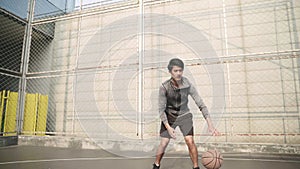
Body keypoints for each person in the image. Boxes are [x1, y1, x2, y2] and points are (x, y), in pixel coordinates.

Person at [152, 58, 220, 169]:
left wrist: (210, 125)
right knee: (164, 143)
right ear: (170, 72)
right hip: (169, 117)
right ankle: (156, 164)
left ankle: (196, 167)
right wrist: (168, 128)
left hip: (185, 116)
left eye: (180, 70)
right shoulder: (164, 87)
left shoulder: (187, 84)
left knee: (190, 141)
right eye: (175, 71)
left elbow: (201, 104)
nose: (178, 73)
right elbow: (161, 110)